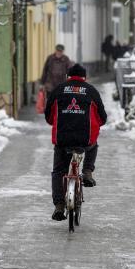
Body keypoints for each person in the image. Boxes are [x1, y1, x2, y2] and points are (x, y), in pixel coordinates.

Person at [44, 64, 107, 221]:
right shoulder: (91, 91)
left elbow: (48, 116)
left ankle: (59, 206)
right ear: (84, 77)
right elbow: (102, 118)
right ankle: (87, 171)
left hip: (62, 139)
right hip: (84, 140)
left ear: (68, 76)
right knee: (93, 145)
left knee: (59, 171)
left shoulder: (58, 90)